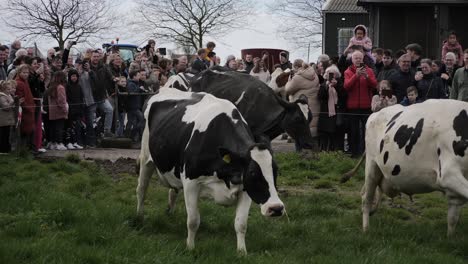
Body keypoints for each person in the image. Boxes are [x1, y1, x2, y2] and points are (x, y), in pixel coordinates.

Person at [343, 50, 377, 158]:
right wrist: (356, 76)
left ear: (363, 59)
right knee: (353, 130)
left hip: (366, 106)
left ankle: (365, 152)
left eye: (360, 58)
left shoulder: (369, 70)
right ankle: (354, 152)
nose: (358, 60)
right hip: (353, 106)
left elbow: (374, 85)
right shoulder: (348, 71)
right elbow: (347, 86)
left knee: (366, 130)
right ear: (352, 60)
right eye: (356, 58)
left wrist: (366, 76)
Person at [286, 59, 320, 150]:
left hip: (302, 110)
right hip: (314, 108)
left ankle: (301, 158)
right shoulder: (314, 75)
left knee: (301, 135)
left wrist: (289, 81)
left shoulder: (297, 78)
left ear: (297, 67)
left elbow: (287, 90)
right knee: (312, 137)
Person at [317, 65, 345, 151]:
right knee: (326, 131)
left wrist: (336, 86)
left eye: (333, 74)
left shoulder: (341, 83)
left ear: (337, 75)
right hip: (326, 112)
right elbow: (320, 97)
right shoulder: (323, 84)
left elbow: (344, 96)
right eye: (329, 73)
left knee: (338, 129)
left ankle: (338, 150)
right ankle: (326, 150)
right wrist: (326, 87)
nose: (331, 75)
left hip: (337, 110)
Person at [15, 64, 36, 152]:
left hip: (30, 109)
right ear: (19, 72)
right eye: (23, 72)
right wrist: (29, 108)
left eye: (27, 72)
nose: (26, 74)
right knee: (24, 131)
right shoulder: (19, 83)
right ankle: (24, 151)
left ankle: (28, 149)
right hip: (25, 111)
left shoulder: (25, 81)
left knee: (30, 130)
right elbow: (21, 99)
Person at [47, 71, 68, 150]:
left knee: (53, 127)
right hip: (59, 110)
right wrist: (65, 111)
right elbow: (62, 101)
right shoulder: (60, 87)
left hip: (52, 110)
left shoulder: (51, 87)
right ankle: (59, 143)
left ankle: (53, 143)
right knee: (59, 127)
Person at [65, 69, 84, 149]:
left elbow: (81, 98)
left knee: (78, 127)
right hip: (70, 110)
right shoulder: (67, 86)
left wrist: (81, 109)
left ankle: (76, 142)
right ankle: (69, 142)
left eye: (75, 76)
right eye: (72, 76)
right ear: (69, 77)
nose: (74, 78)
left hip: (78, 110)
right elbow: (67, 99)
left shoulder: (79, 86)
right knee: (69, 127)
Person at [126, 70, 144, 144]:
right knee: (142, 119)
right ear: (134, 76)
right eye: (138, 75)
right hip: (133, 107)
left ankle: (129, 137)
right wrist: (140, 89)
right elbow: (132, 93)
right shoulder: (131, 84)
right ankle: (130, 136)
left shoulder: (135, 83)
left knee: (130, 122)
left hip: (134, 106)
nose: (140, 77)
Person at [0, 80, 16, 152]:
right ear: (3, 89)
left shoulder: (9, 95)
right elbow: (5, 107)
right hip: (3, 119)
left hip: (7, 119)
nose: (10, 90)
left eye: (10, 89)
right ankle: (3, 149)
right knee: (3, 135)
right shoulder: (2, 96)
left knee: (7, 134)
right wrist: (12, 102)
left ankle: (7, 148)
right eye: (8, 89)